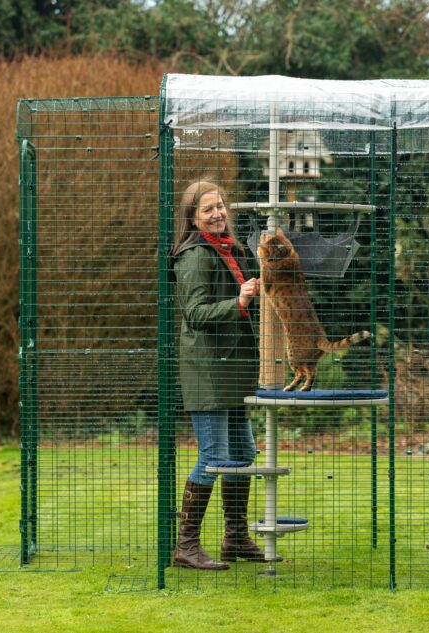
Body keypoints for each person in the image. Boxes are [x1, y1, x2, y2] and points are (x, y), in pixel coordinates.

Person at [170, 180, 270, 570]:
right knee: (214, 457)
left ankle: (235, 537)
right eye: (208, 209)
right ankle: (186, 545)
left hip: (230, 370)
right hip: (208, 371)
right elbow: (195, 314)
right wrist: (240, 300)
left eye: (221, 206)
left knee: (242, 454)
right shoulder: (194, 255)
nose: (218, 214)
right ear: (193, 217)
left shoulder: (228, 250)